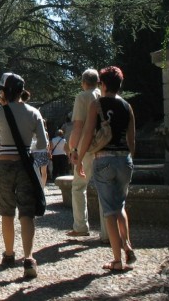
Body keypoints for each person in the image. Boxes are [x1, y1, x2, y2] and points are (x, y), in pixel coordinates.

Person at [73, 66, 137, 272]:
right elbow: (131, 140)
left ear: (104, 84)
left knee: (109, 210)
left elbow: (89, 134)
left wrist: (79, 159)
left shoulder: (96, 105)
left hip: (104, 160)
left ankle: (117, 260)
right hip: (124, 160)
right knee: (120, 205)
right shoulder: (128, 106)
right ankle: (127, 243)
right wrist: (128, 160)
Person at [0, 72, 48, 280]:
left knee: (6, 211)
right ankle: (29, 258)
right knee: (27, 213)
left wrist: (3, 107)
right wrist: (42, 171)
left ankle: (9, 253)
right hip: (26, 165)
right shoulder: (34, 112)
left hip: (4, 164)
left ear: (5, 92)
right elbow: (42, 144)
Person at [66, 68, 108, 241]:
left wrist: (73, 149)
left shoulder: (82, 97)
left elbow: (78, 126)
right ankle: (107, 233)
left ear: (83, 82)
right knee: (104, 190)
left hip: (86, 148)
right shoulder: (104, 95)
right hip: (104, 146)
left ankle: (81, 226)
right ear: (98, 81)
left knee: (78, 187)